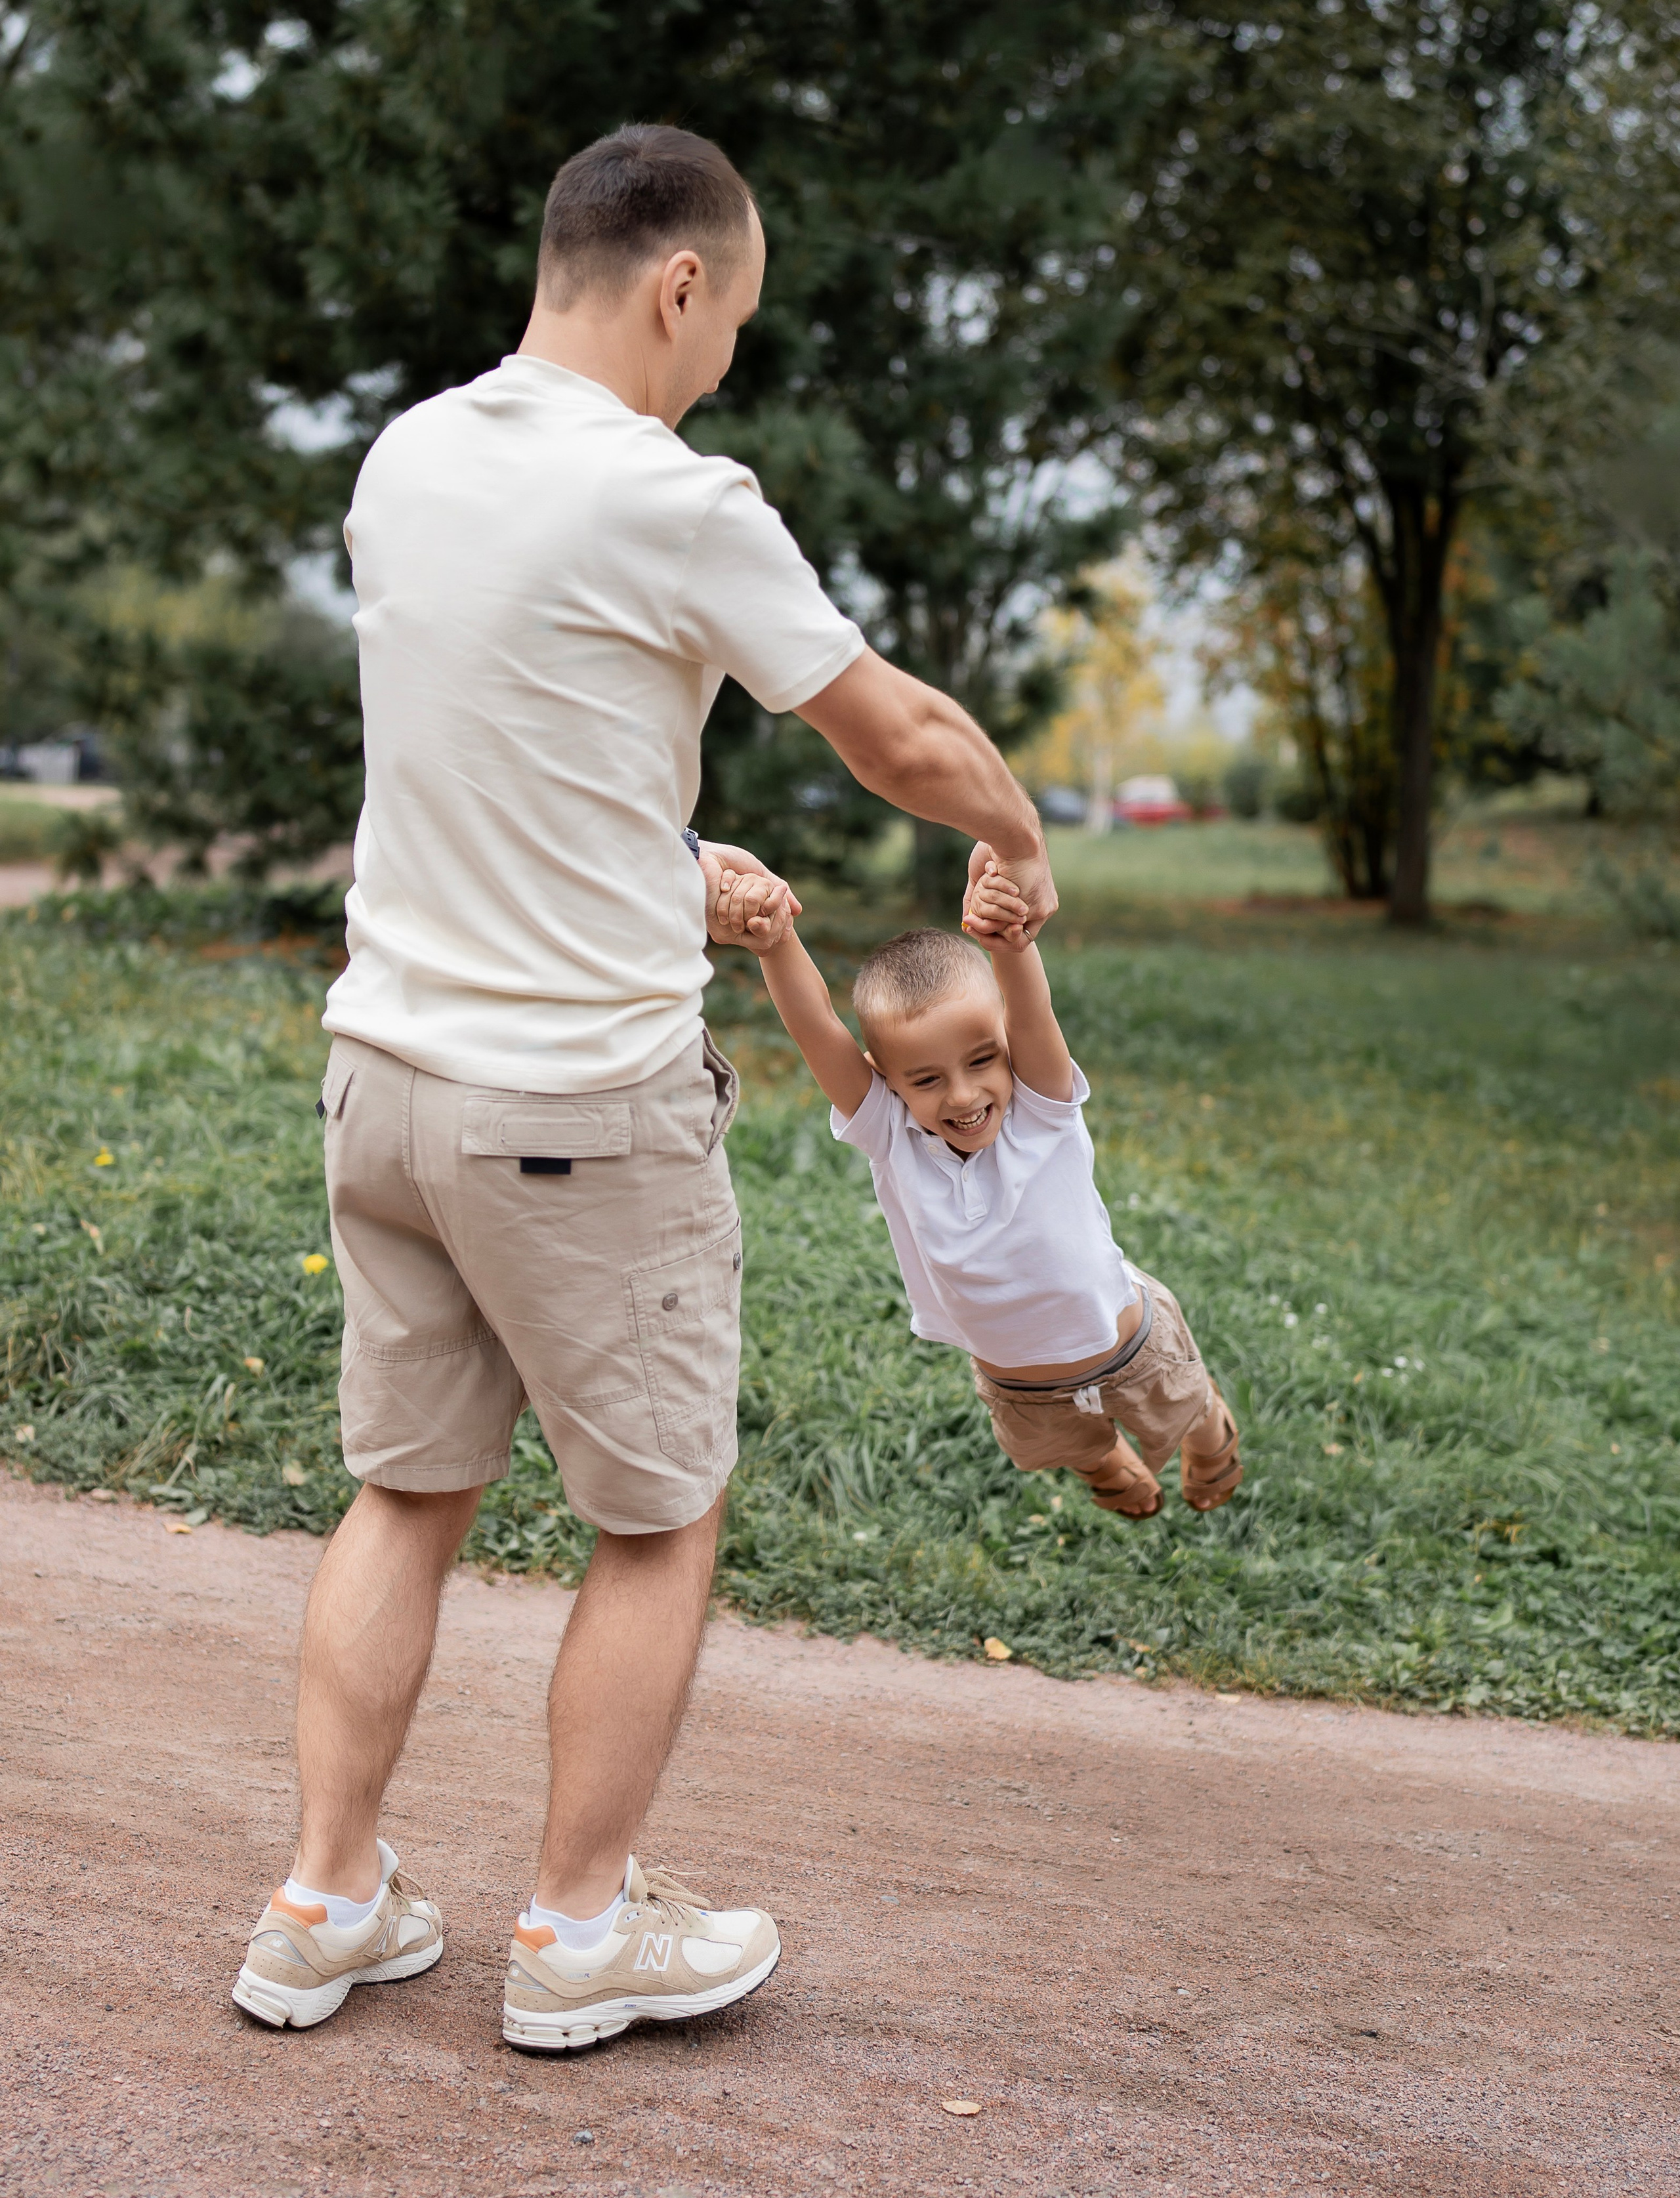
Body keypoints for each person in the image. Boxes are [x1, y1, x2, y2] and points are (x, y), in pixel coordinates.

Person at [230, 123, 1057, 2053]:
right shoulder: (672, 496)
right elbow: (893, 733)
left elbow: (505, 739)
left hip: (386, 1080)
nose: (727, 366)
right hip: (576, 1110)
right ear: (679, 283)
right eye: (733, 322)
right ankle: (578, 1936)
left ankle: (321, 1902)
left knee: (407, 1495)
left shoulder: (409, 457)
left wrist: (663, 864)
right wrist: (1015, 822)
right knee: (658, 1516)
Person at [711, 856, 1241, 1519]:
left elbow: (1029, 1009)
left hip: (1132, 1350)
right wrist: (777, 941)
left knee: (1183, 1409)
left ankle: (1210, 1433)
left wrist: (1009, 942)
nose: (963, 1096)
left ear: (1008, 1050)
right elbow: (816, 1026)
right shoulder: (889, 1131)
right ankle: (1102, 1460)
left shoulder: (1042, 1107)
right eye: (926, 1080)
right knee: (1060, 1444)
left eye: (982, 1060)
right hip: (1015, 1385)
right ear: (887, 1080)